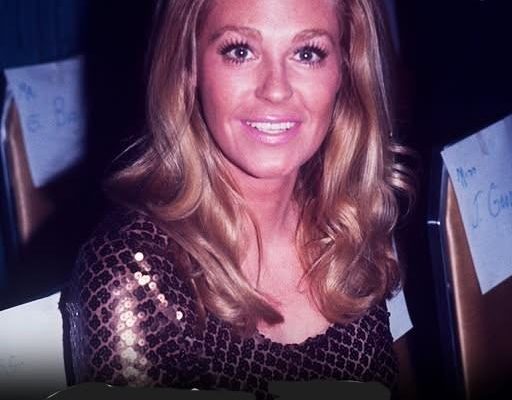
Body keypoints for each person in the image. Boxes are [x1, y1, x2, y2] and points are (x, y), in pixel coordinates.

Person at [64, 0, 413, 399]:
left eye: (307, 53)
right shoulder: (130, 271)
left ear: (344, 72)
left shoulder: (351, 224)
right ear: (189, 67)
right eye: (240, 51)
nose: (276, 89)